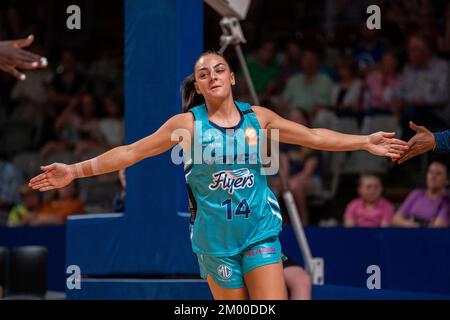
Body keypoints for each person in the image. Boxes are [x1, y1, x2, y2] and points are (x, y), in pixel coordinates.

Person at [28, 51, 408, 300]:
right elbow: (131, 152)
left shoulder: (258, 118)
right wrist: (74, 171)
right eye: (203, 74)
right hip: (214, 243)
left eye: (219, 70)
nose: (213, 76)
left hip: (258, 231)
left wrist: (364, 141)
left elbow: (313, 137)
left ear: (232, 78)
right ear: (198, 85)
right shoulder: (186, 125)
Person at [392, 160, 449, 228]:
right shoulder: (417, 194)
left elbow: (438, 226)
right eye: (430, 172)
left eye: (438, 173)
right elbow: (395, 219)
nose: (433, 176)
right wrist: (410, 224)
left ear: (447, 180)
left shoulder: (447, 199)